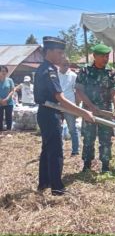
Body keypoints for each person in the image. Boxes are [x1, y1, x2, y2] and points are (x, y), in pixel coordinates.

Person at [34, 36, 94, 196]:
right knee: (55, 150)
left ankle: (44, 182)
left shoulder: (42, 68)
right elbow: (60, 98)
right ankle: (57, 187)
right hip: (50, 113)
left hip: (45, 112)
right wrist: (83, 112)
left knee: (47, 149)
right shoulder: (49, 70)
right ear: (50, 51)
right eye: (59, 52)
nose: (62, 56)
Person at [76, 44, 115, 173]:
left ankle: (105, 165)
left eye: (107, 56)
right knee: (89, 138)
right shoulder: (85, 71)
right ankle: (87, 164)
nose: (105, 59)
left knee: (105, 139)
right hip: (89, 111)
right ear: (94, 56)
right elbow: (79, 90)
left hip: (105, 110)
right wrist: (91, 106)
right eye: (102, 56)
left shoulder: (111, 72)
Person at [58, 57, 80, 156]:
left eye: (67, 64)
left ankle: (75, 150)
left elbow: (77, 92)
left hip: (70, 105)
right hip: (57, 105)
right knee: (58, 129)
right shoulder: (54, 75)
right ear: (59, 64)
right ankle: (59, 149)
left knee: (72, 128)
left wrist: (77, 107)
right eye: (64, 64)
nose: (66, 66)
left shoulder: (73, 76)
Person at [0, 65, 15, 131]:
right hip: (0, 102)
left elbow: (12, 90)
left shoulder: (10, 80)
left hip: (9, 102)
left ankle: (9, 131)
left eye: (5, 71)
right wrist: (1, 100)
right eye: (2, 71)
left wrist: (6, 99)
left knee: (9, 117)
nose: (4, 72)